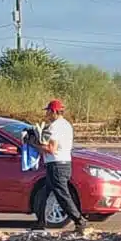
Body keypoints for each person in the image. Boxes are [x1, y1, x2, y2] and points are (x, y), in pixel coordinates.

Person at [37, 99, 86, 232]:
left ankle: (79, 220)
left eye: (48, 111)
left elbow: (51, 148)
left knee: (62, 195)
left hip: (56, 164)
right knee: (44, 194)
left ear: (53, 111)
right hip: (64, 163)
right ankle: (40, 222)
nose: (46, 114)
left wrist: (35, 144)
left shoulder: (55, 127)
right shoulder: (66, 125)